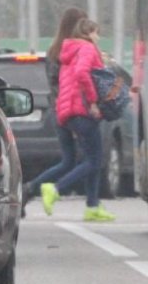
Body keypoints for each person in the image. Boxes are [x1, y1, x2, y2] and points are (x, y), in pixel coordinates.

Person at [40, 17, 116, 222]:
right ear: (89, 32)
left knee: (94, 158)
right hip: (82, 110)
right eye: (97, 32)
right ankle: (55, 189)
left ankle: (92, 206)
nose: (98, 37)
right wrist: (92, 101)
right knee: (94, 161)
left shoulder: (69, 51)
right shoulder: (87, 49)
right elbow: (83, 73)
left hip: (67, 110)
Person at [22, 7, 90, 212]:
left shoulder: (54, 50)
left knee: (69, 161)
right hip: (70, 110)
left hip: (57, 110)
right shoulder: (72, 51)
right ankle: (88, 202)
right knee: (89, 159)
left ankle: (29, 189)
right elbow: (70, 84)